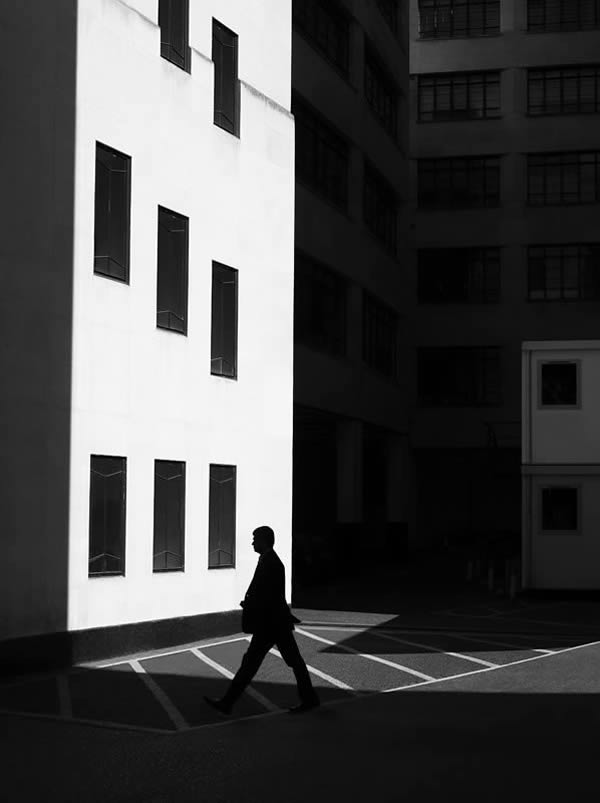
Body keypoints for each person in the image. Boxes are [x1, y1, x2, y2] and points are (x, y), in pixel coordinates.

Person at [204, 525, 320, 716]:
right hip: (274, 624)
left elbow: (271, 597)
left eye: (255, 539)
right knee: (277, 662)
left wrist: (251, 605)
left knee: (258, 664)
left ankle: (227, 702)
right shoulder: (268, 561)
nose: (252, 542)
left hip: (271, 625)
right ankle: (309, 699)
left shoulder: (272, 563)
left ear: (264, 541)